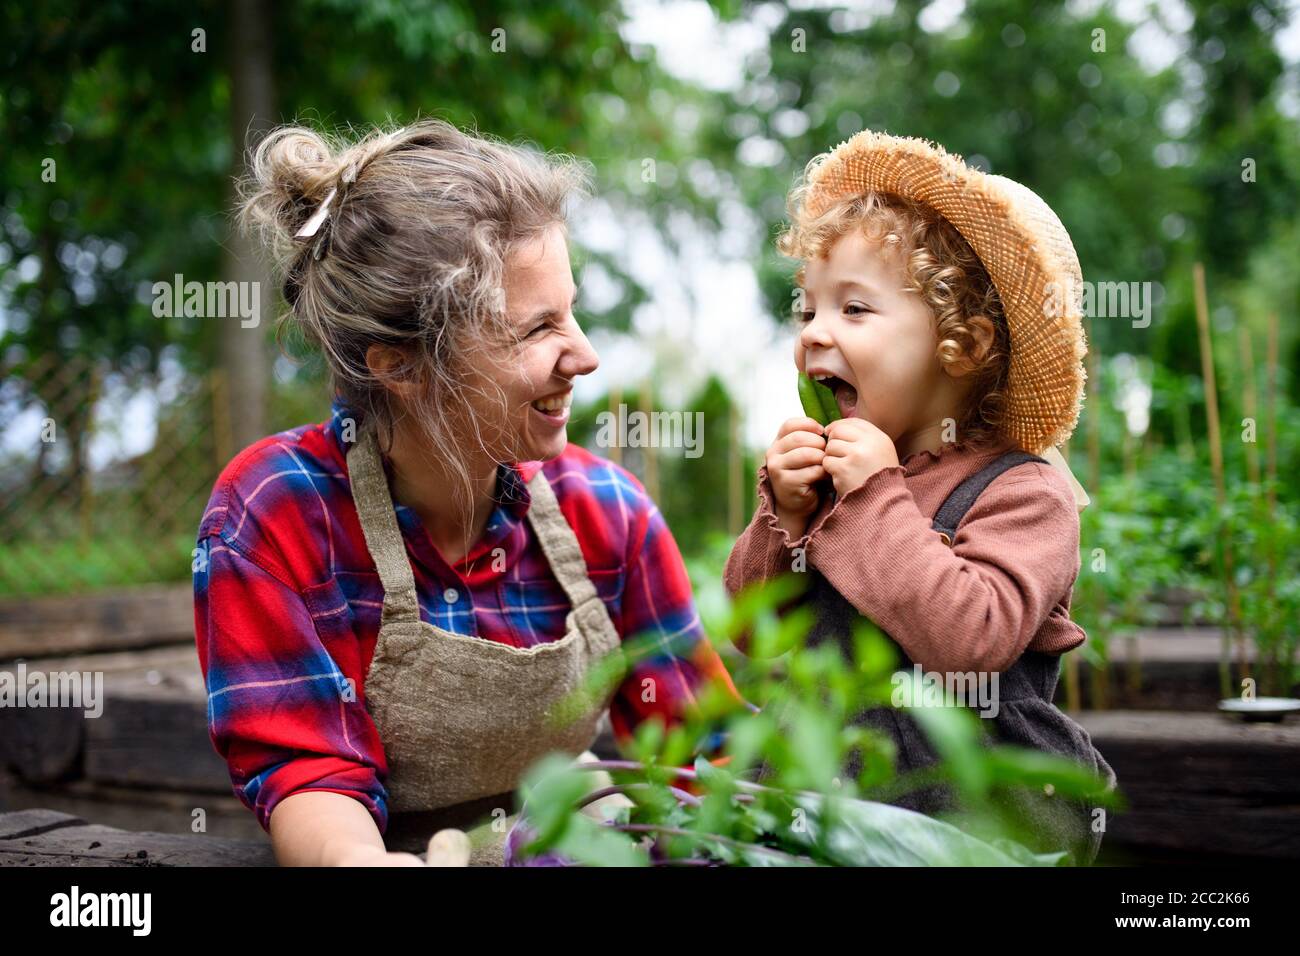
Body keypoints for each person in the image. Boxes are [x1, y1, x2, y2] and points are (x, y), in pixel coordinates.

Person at [193, 119, 743, 867]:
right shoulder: (274, 514)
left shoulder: (607, 514)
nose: (584, 354)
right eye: (537, 329)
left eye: (571, 310)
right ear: (402, 367)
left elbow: (704, 746)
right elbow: (309, 773)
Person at [724, 128, 1117, 865]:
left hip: (964, 823)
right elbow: (754, 633)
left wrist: (874, 497)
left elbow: (971, 637)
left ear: (961, 346)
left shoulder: (1024, 492)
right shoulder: (834, 477)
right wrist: (787, 519)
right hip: (814, 806)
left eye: (854, 310)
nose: (814, 335)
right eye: (808, 310)